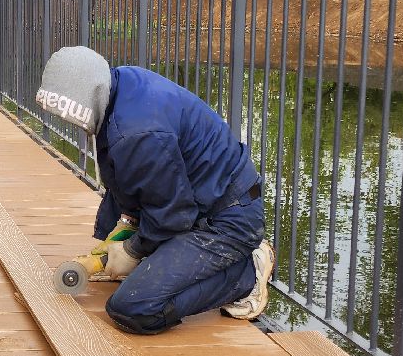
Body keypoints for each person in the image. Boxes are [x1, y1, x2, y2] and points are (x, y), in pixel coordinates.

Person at [36, 46, 274, 335]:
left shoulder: (138, 132)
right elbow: (135, 180)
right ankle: (164, 259)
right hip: (199, 202)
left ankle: (246, 275)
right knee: (138, 268)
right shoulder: (120, 87)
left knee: (133, 308)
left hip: (227, 221)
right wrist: (125, 227)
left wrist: (133, 250)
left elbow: (172, 214)